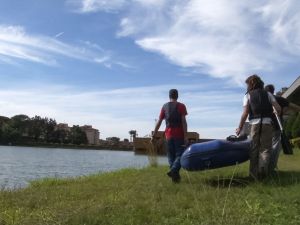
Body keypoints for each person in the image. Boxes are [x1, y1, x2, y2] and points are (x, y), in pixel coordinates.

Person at [236, 75, 281, 180]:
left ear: (251, 84)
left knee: (254, 149)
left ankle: (253, 176)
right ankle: (262, 172)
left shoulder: (248, 96)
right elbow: (278, 108)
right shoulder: (268, 94)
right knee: (265, 149)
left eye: (247, 84)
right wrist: (276, 111)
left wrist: (239, 127)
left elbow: (245, 114)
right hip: (267, 124)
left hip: (254, 124)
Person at [152, 89, 188, 183]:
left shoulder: (164, 106)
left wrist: (154, 134)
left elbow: (159, 122)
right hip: (179, 135)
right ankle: (173, 170)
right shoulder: (181, 106)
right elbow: (183, 122)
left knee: (171, 157)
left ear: (169, 96)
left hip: (168, 135)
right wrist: (186, 136)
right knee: (180, 155)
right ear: (177, 96)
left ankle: (175, 180)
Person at [265, 84, 300, 172]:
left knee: (265, 149)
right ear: (273, 91)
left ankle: (264, 169)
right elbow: (296, 107)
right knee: (274, 148)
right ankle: (270, 169)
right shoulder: (278, 99)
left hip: (263, 127)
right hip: (276, 126)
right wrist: (284, 112)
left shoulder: (262, 100)